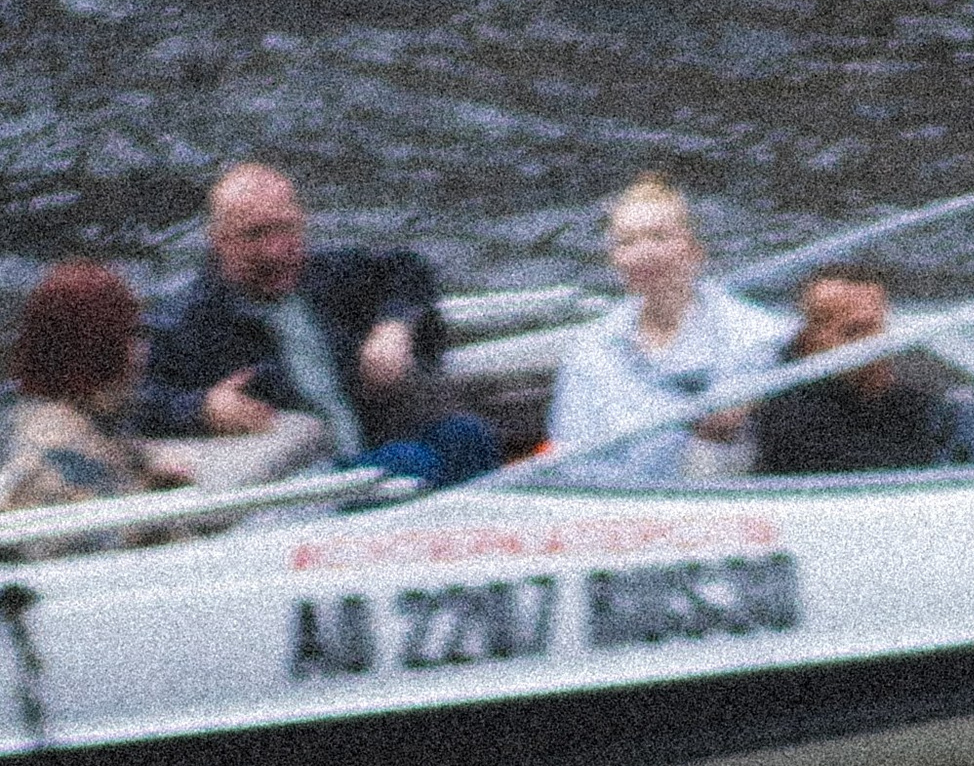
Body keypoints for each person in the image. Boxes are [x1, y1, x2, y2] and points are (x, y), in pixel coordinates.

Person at [135, 163, 499, 491]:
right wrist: (202, 408)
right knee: (408, 465)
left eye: (284, 229)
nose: (275, 251)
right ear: (219, 242)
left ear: (302, 222)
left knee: (467, 437)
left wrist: (394, 328)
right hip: (299, 481)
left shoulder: (328, 276)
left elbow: (408, 270)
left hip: (368, 441)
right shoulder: (183, 323)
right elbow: (133, 402)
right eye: (255, 235)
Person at [545, 177, 789, 480]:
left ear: (694, 250)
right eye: (627, 242)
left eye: (659, 237)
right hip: (611, 507)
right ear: (614, 260)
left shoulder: (755, 333)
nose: (644, 254)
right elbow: (571, 457)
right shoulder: (590, 348)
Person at [1, 262, 201, 514]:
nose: (143, 351)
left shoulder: (34, 417)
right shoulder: (57, 455)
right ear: (97, 349)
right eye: (133, 335)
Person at [750, 273, 958, 479]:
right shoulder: (790, 419)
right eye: (855, 331)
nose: (875, 345)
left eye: (879, 329)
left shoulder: (897, 399)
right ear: (809, 342)